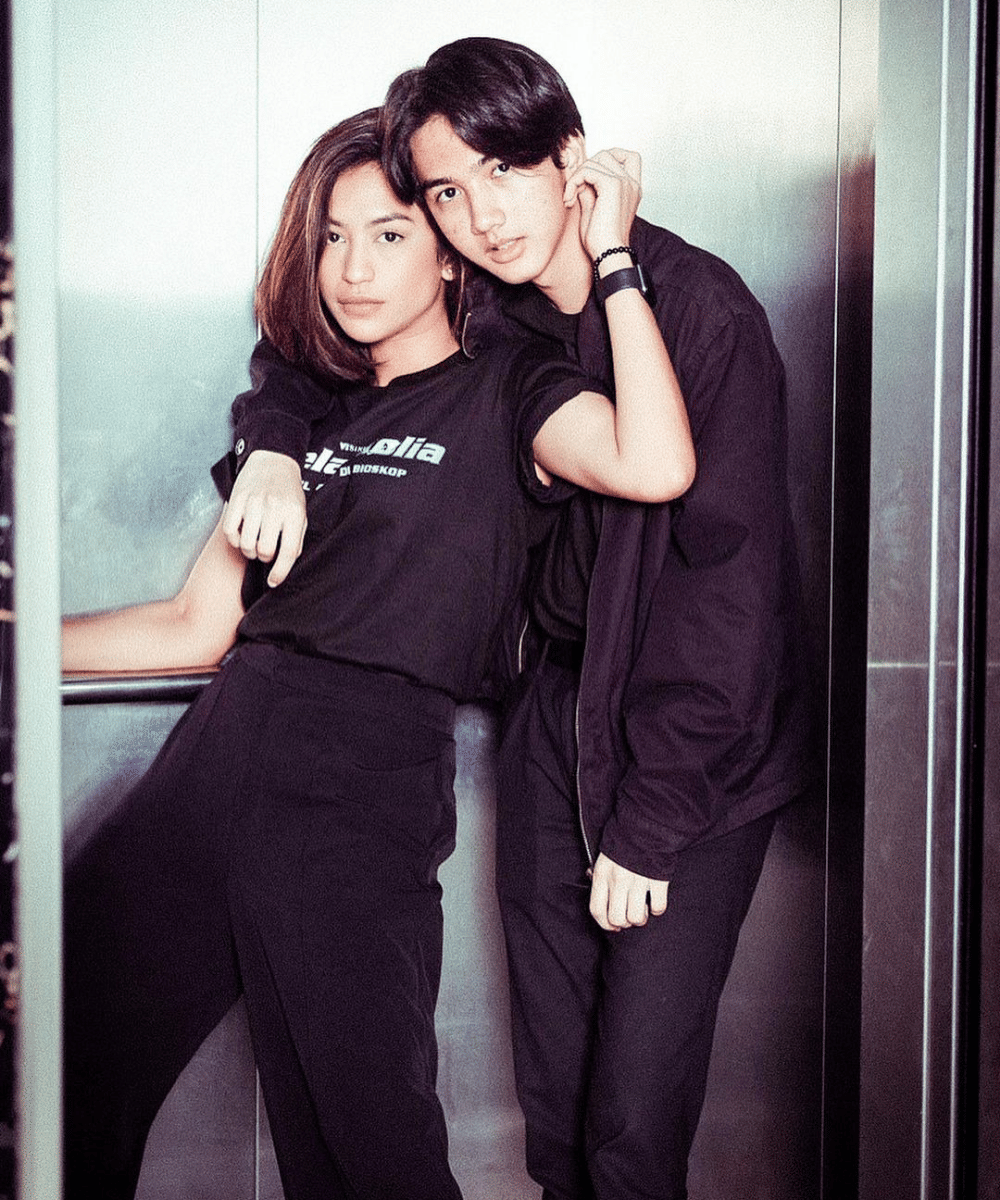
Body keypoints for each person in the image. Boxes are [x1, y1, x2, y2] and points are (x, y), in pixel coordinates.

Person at [60, 106, 694, 1200]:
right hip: (217, 756)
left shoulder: (513, 390)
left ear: (448, 255)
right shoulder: (303, 416)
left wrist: (615, 260)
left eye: (390, 234)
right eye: (332, 237)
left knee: (368, 1147)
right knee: (70, 1071)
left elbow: (653, 463)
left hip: (360, 781)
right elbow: (196, 625)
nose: (352, 268)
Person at [224, 38, 814, 1200]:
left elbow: (728, 595)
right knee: (556, 1109)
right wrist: (275, 447)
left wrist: (652, 820)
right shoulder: (490, 310)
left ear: (569, 156)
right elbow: (318, 350)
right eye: (449, 191)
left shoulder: (701, 311)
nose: (484, 217)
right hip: (556, 715)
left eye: (502, 170)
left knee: (629, 1123)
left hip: (696, 748)